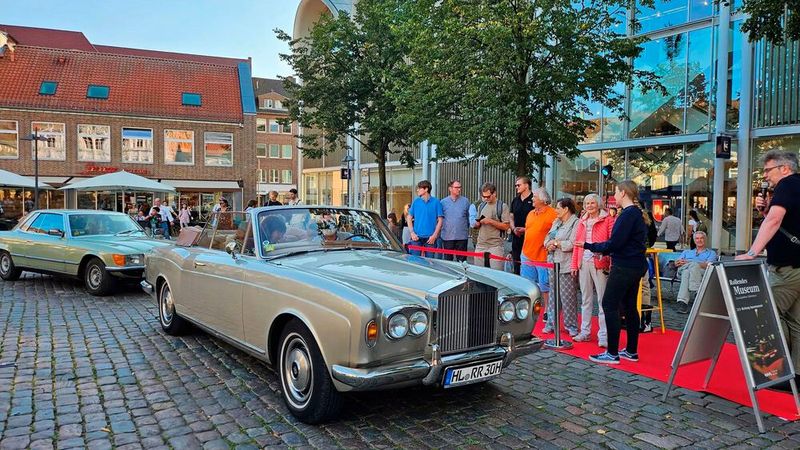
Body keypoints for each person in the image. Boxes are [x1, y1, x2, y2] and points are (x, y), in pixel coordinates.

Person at [736, 150, 800, 381]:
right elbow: (781, 222)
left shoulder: (787, 185)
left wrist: (752, 252)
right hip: (796, 267)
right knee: (796, 321)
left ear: (784, 168)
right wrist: (764, 211)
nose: (765, 176)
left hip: (786, 268)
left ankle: (774, 371)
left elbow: (774, 220)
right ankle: (797, 374)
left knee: (766, 314)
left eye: (767, 170)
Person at [577, 180, 648, 365]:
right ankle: (631, 350)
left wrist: (589, 246)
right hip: (634, 265)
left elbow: (615, 243)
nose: (613, 196)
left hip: (624, 266)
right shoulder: (635, 214)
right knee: (630, 306)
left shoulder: (628, 215)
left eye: (616, 192)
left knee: (609, 304)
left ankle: (612, 352)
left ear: (623, 193)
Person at [571, 193, 613, 345]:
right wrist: (575, 264)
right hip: (584, 262)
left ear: (598, 204)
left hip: (599, 262)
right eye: (587, 203)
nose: (589, 206)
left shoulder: (607, 220)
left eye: (592, 203)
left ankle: (604, 335)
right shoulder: (582, 221)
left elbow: (611, 242)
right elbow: (577, 243)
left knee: (602, 300)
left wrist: (607, 260)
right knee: (586, 299)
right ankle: (585, 331)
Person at [541, 198, 580, 336]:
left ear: (566, 209)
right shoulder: (556, 222)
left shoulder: (575, 223)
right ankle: (551, 323)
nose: (555, 210)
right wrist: (549, 244)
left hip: (566, 264)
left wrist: (557, 244)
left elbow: (573, 243)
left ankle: (571, 326)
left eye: (558, 208)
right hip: (552, 262)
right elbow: (547, 238)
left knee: (568, 296)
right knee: (553, 294)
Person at [520, 187, 557, 320]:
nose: (532, 199)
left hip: (542, 256)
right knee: (528, 284)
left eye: (534, 196)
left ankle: (547, 309)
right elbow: (532, 230)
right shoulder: (530, 213)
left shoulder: (553, 214)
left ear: (542, 199)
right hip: (526, 254)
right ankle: (528, 309)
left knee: (545, 285)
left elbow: (557, 233)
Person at [674, 231, 717, 314]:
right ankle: (695, 289)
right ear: (694, 240)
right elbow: (677, 263)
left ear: (705, 240)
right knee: (689, 268)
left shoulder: (711, 253)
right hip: (682, 270)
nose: (699, 240)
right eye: (697, 238)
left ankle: (682, 302)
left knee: (687, 272)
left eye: (701, 238)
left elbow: (708, 265)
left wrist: (692, 263)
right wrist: (678, 263)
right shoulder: (687, 252)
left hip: (700, 272)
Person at [472, 182, 511, 270]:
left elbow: (506, 226)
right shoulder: (481, 206)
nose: (486, 199)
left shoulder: (502, 206)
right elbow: (478, 222)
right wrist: (477, 224)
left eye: (488, 196)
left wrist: (490, 221)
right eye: (484, 196)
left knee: (496, 274)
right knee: (478, 273)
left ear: (494, 193)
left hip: (495, 245)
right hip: (481, 244)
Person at [408, 180, 444, 257]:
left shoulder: (436, 202)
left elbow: (440, 220)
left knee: (430, 262)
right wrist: (412, 233)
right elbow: (409, 218)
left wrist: (434, 235)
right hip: (416, 237)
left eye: (419, 188)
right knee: (415, 261)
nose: (417, 190)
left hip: (430, 238)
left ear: (426, 189)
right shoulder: (416, 202)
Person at [440, 179, 471, 261]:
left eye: (460, 187)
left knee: (462, 261)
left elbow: (468, 218)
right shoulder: (443, 202)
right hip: (447, 236)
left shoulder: (466, 201)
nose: (459, 189)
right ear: (450, 189)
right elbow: (440, 219)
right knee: (448, 261)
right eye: (456, 187)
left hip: (462, 237)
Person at [510, 176, 535, 275]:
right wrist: (513, 228)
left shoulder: (534, 199)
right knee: (517, 265)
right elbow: (511, 216)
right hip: (516, 238)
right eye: (516, 185)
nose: (516, 187)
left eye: (518, 185)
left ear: (526, 185)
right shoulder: (515, 200)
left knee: (529, 266)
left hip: (530, 238)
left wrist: (526, 230)